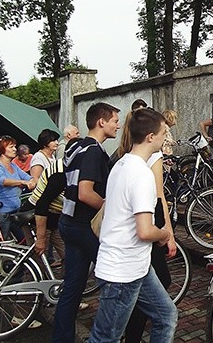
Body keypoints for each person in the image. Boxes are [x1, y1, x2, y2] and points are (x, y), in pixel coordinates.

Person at [88, 108, 177, 343]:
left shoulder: (121, 164)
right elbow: (145, 230)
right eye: (163, 134)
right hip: (123, 271)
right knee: (105, 337)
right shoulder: (141, 173)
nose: (165, 138)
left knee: (166, 315)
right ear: (150, 137)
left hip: (135, 265)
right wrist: (164, 233)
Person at [52, 102, 120, 343]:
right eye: (114, 121)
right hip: (83, 226)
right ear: (101, 122)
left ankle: (62, 338)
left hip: (68, 222)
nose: (118, 126)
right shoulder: (92, 150)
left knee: (72, 288)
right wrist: (109, 206)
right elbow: (85, 192)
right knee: (115, 280)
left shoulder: (75, 147)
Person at [0, 136, 36, 242]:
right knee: (0, 243)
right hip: (2, 211)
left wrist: (33, 181)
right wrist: (22, 182)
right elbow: (3, 181)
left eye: (15, 146)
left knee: (23, 240)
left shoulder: (13, 166)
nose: (15, 149)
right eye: (11, 147)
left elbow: (28, 177)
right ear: (1, 149)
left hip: (15, 210)